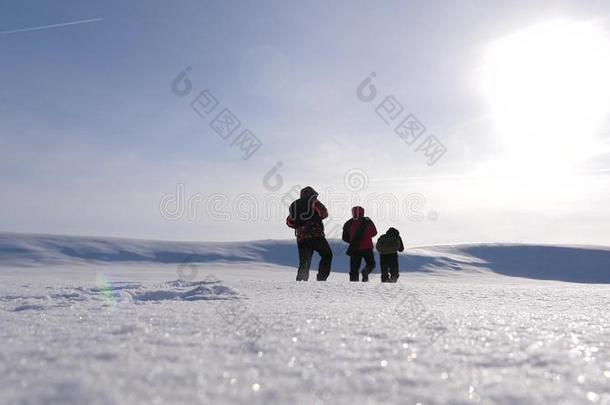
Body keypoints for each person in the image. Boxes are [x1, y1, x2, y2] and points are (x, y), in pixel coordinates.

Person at [286, 186, 333, 281]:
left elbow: (289, 222)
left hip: (301, 238)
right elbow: (324, 214)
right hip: (315, 235)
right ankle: (321, 279)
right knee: (327, 255)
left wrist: (300, 226)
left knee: (304, 262)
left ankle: (301, 282)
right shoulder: (314, 202)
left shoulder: (294, 205)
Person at [342, 206, 377, 282]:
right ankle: (365, 271)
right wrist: (367, 237)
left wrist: (352, 241)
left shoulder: (348, 223)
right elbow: (374, 232)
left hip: (355, 248)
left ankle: (354, 285)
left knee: (354, 268)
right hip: (367, 247)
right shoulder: (368, 220)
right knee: (371, 264)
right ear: (363, 212)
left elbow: (344, 237)